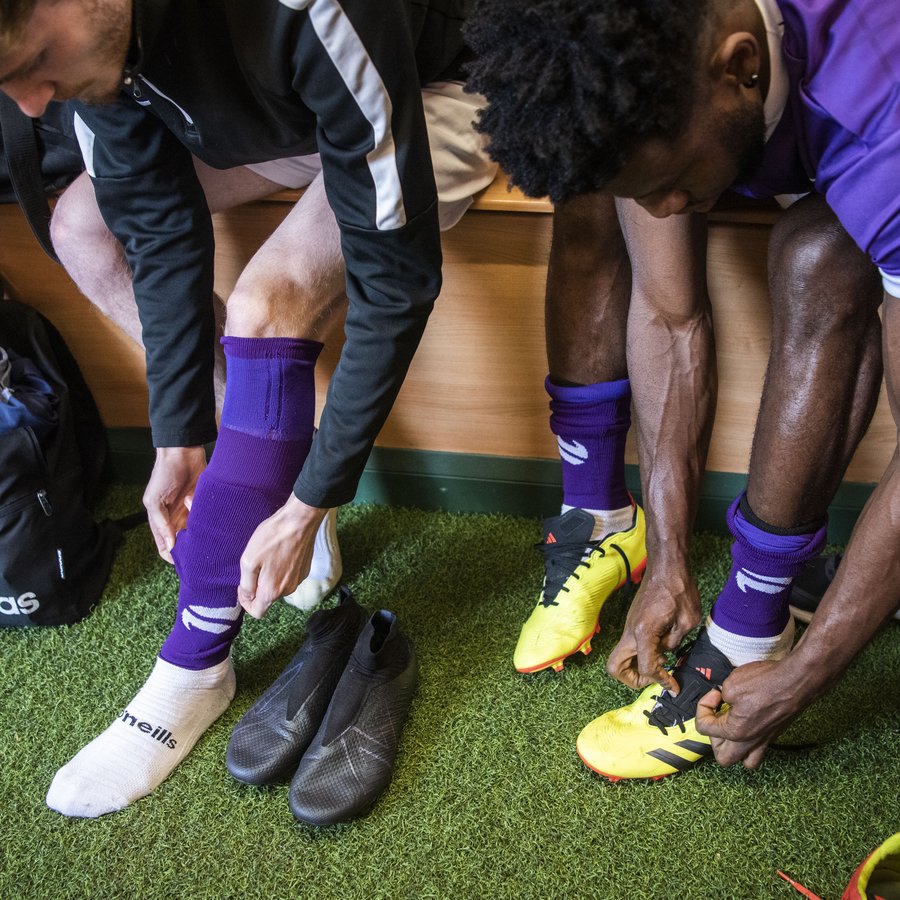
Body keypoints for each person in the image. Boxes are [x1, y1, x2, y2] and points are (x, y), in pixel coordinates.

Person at [0, 0, 496, 816]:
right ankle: (254, 453)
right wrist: (179, 433)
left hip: (437, 90)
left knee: (268, 302)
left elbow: (395, 283)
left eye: (32, 65)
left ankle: (196, 663)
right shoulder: (91, 48)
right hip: (291, 116)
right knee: (86, 227)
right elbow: (156, 228)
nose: (29, 105)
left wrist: (314, 498)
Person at [465, 0, 893, 778]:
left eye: (667, 185)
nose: (664, 209)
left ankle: (755, 635)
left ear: (742, 68)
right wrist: (665, 558)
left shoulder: (880, 122)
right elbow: (667, 317)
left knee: (818, 258)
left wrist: (805, 678)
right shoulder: (654, 52)